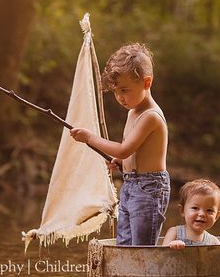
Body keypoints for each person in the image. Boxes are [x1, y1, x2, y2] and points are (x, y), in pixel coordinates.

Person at [70, 43, 169, 246]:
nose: (120, 98)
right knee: (124, 242)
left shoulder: (151, 116)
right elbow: (129, 151)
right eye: (115, 92)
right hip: (130, 184)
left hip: (150, 188)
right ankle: (125, 276)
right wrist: (120, 161)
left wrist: (91, 138)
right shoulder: (133, 112)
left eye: (125, 90)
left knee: (141, 245)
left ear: (146, 83)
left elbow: (125, 149)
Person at [162, 178, 220, 248]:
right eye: (195, 208)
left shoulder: (213, 242)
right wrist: (172, 245)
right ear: (182, 211)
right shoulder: (174, 232)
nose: (202, 214)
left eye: (209, 210)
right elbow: (161, 256)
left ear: (217, 216)